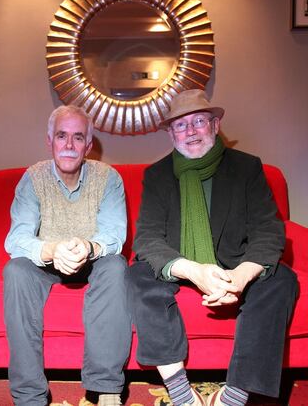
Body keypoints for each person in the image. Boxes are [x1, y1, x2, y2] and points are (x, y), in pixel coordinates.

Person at [126, 89, 298, 406]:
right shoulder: (158, 175)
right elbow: (147, 239)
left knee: (282, 280)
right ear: (171, 133)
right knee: (136, 276)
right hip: (181, 266)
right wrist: (195, 271)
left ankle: (235, 395)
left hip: (235, 265)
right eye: (180, 125)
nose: (190, 131)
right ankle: (179, 390)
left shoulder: (247, 168)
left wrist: (241, 277)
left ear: (215, 125)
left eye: (199, 121)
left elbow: (268, 229)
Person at [3, 104, 131, 406]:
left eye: (78, 137)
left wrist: (87, 248)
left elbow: (115, 234)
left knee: (116, 266)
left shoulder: (109, 178)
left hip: (92, 260)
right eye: (62, 136)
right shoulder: (33, 178)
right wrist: (50, 250)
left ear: (88, 145)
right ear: (50, 141)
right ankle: (29, 398)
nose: (69, 145)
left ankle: (107, 390)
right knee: (15, 271)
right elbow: (17, 238)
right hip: (46, 261)